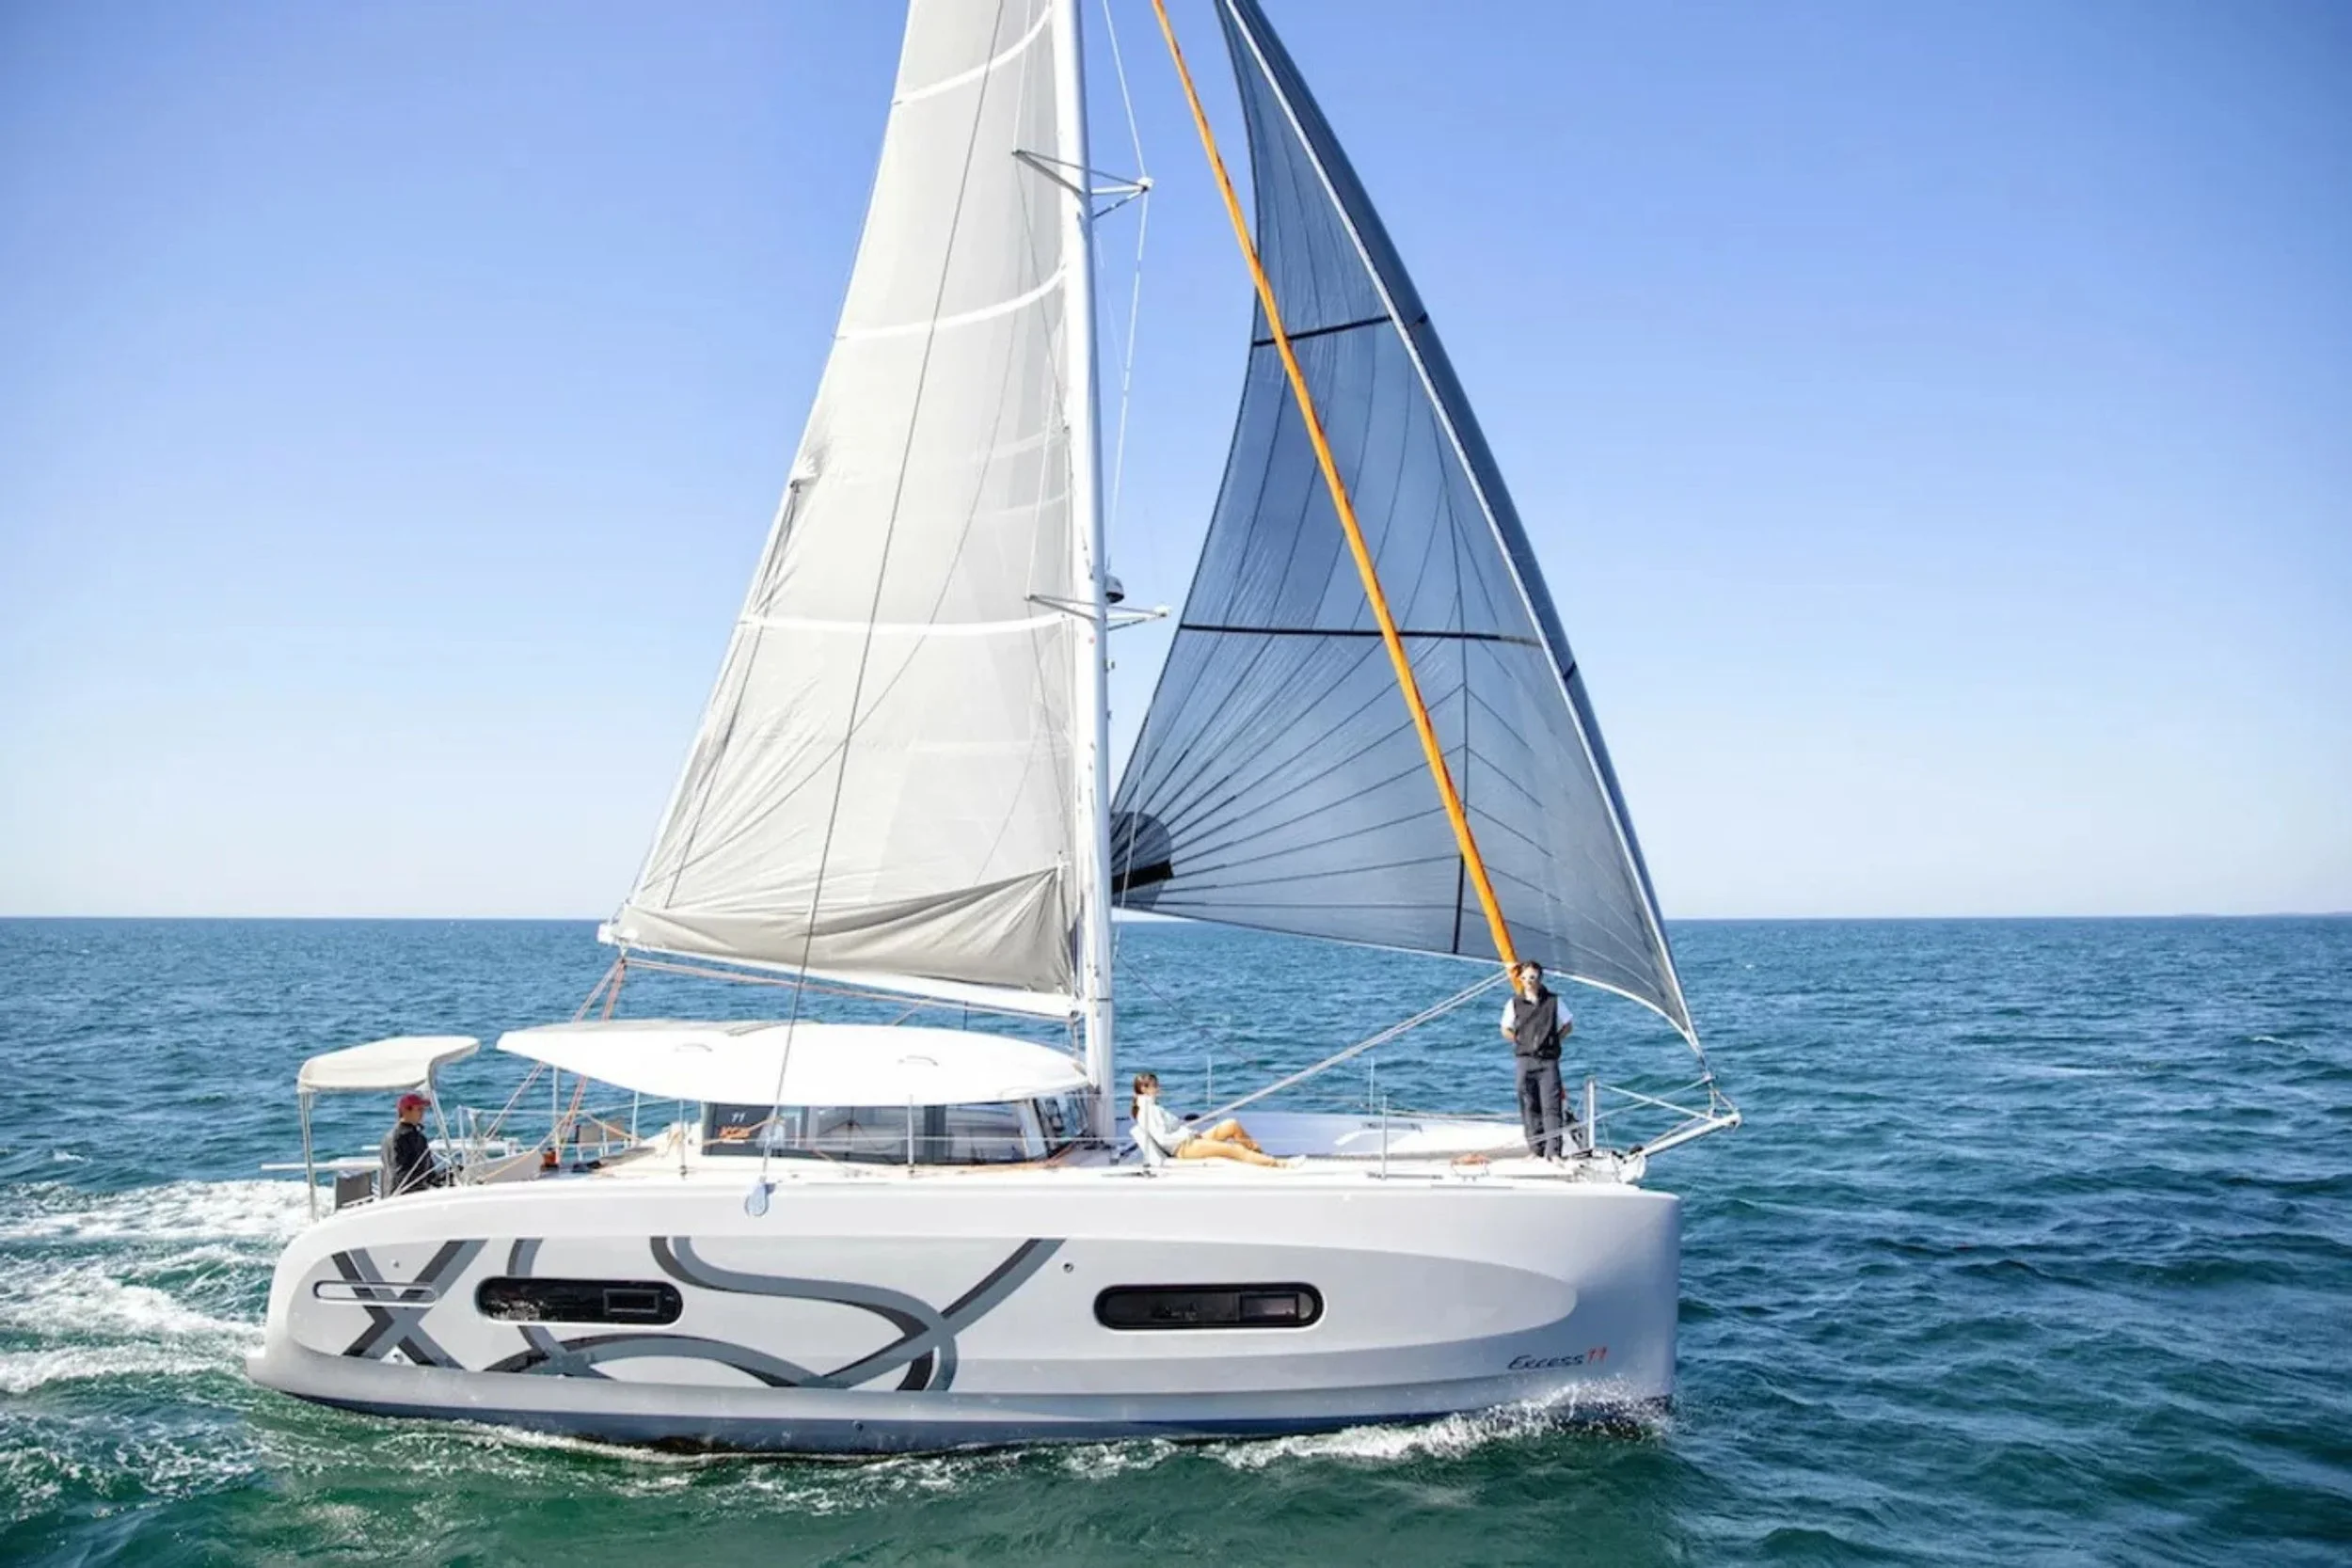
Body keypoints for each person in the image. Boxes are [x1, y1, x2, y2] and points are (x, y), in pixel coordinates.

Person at [1501, 960, 1580, 1160]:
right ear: (1520, 979)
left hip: (1547, 1061)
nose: (1528, 982)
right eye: (1525, 978)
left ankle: (1553, 1151)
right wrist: (1520, 1041)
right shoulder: (1514, 1003)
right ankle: (1537, 1148)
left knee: (1551, 1106)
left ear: (1540, 979)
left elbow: (1568, 1025)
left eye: (1532, 978)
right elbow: (1505, 1029)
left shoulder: (1553, 1001)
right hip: (1525, 1060)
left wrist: (1554, 1040)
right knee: (1528, 1104)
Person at [1131, 1072, 1292, 1167]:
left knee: (1231, 1125)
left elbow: (1169, 1128)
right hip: (1184, 1148)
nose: (1158, 1088)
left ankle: (1260, 1157)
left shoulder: (1153, 1108)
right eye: (1154, 1085)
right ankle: (1278, 1164)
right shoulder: (1147, 1111)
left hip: (1191, 1139)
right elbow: (1163, 1138)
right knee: (1233, 1149)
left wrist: (1183, 1124)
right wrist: (1186, 1135)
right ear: (1144, 1089)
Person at [378, 1091, 447, 1197]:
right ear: (406, 1110)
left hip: (390, 1194)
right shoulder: (409, 1137)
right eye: (419, 1109)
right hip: (408, 1196)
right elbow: (407, 1173)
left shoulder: (388, 1137)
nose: (423, 1113)